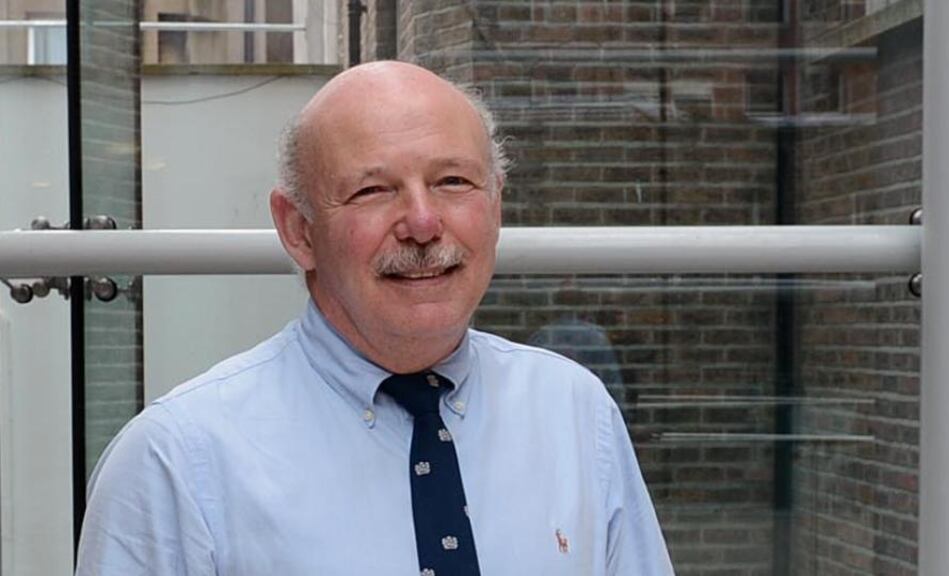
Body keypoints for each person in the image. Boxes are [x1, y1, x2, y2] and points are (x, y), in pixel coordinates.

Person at [76, 61, 673, 575]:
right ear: (299, 230)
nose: (422, 223)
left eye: (453, 182)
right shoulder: (176, 463)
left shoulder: (575, 413)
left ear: (496, 206)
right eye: (372, 191)